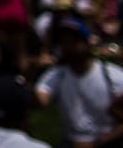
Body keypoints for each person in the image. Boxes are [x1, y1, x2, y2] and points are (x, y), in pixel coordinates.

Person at [34, 14, 123, 147]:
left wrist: (96, 143)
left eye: (74, 41)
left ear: (87, 43)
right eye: (64, 42)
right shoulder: (58, 75)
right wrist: (33, 70)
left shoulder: (111, 75)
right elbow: (41, 99)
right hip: (72, 142)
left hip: (107, 141)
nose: (68, 47)